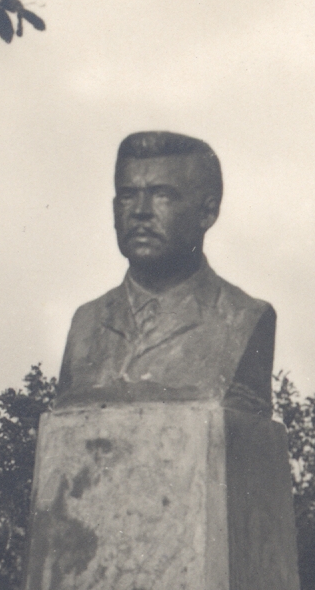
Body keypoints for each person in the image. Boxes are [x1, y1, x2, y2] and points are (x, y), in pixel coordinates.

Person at [56, 131, 276, 416]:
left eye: (162, 195)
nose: (140, 211)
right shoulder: (85, 324)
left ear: (207, 213)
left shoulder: (243, 317)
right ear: (114, 209)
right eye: (127, 196)